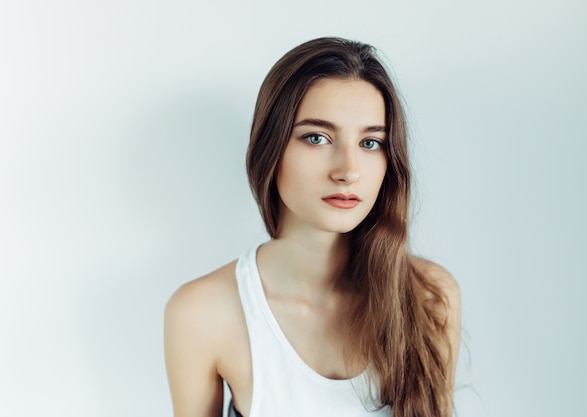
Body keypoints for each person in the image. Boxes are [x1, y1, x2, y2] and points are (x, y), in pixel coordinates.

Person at [164, 37, 461, 417]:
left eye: (370, 143)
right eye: (317, 138)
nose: (348, 170)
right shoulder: (202, 313)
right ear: (270, 149)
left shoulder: (431, 296)